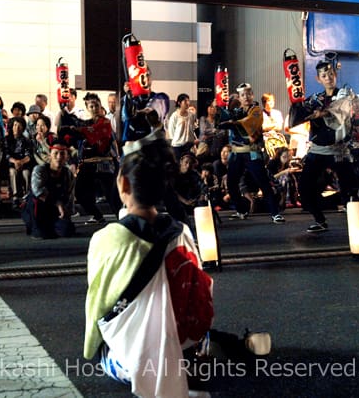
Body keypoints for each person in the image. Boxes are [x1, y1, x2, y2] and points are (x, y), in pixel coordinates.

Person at [83, 133, 270, 397]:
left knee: (109, 347)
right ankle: (214, 348)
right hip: (188, 341)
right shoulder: (182, 231)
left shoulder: (107, 238)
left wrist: (91, 347)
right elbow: (200, 292)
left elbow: (98, 303)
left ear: (123, 184)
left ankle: (186, 361)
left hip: (139, 359)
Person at [289, 60, 359, 241]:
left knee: (353, 191)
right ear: (318, 79)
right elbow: (299, 115)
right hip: (318, 150)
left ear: (335, 74)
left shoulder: (345, 94)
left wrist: (323, 113)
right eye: (324, 75)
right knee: (304, 189)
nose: (328, 78)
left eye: (330, 74)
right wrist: (296, 104)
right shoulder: (315, 99)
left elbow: (343, 109)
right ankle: (320, 220)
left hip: (340, 151)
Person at [218, 83, 285, 224]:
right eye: (243, 95)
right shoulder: (236, 111)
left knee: (263, 183)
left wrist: (232, 123)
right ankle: (241, 210)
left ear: (252, 95)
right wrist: (222, 114)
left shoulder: (256, 111)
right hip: (236, 153)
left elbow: (247, 124)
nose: (246, 97)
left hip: (252, 153)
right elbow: (224, 121)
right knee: (231, 183)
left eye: (248, 94)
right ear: (239, 97)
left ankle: (275, 213)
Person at [73, 93, 120, 224]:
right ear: (87, 108)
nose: (94, 109)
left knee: (111, 195)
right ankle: (97, 215)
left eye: (97, 106)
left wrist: (78, 130)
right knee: (80, 192)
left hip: (104, 163)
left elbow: (94, 134)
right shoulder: (85, 123)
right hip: (87, 164)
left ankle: (123, 219)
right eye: (91, 106)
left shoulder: (105, 122)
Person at [21, 137, 75, 239]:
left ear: (67, 156)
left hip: (54, 210)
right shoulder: (39, 170)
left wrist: (66, 216)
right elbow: (38, 191)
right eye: (56, 153)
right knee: (42, 233)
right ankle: (35, 226)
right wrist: (58, 203)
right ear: (50, 155)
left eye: (62, 154)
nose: (59, 157)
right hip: (37, 209)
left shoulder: (68, 174)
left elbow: (69, 197)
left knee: (67, 231)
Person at [5, 116, 32, 206]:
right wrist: (15, 162)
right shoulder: (7, 140)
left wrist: (21, 162)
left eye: (19, 126)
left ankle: (27, 196)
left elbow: (28, 155)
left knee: (26, 173)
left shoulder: (26, 140)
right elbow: (6, 154)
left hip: (24, 163)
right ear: (11, 126)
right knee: (13, 172)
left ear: (23, 128)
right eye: (15, 125)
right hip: (11, 164)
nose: (17, 128)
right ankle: (15, 196)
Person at [167, 93, 197, 161]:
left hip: (189, 144)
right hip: (178, 146)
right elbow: (171, 132)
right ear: (179, 103)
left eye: (188, 101)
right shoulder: (174, 116)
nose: (187, 103)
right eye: (185, 101)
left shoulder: (191, 115)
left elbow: (193, 128)